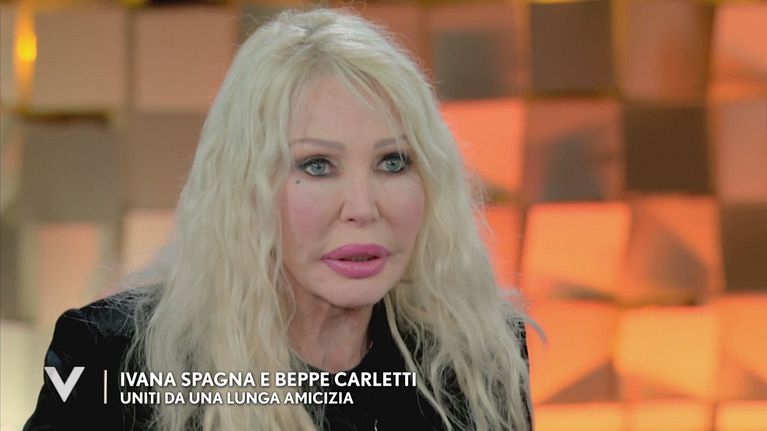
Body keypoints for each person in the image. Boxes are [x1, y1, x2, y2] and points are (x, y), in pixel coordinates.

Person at [25, 8, 532, 431]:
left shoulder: (478, 363)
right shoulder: (110, 359)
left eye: (393, 162)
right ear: (246, 186)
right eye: (317, 165)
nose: (363, 207)